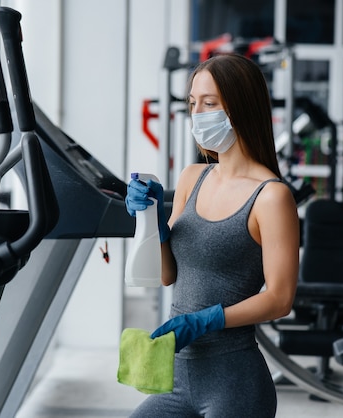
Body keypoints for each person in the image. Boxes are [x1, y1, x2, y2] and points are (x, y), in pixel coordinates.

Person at [125, 53, 300, 418]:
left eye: (209, 103)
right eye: (193, 104)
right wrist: (153, 222)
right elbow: (167, 274)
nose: (198, 114)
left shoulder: (271, 197)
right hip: (177, 377)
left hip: (234, 382)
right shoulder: (193, 177)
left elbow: (281, 299)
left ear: (240, 108)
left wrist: (205, 319)